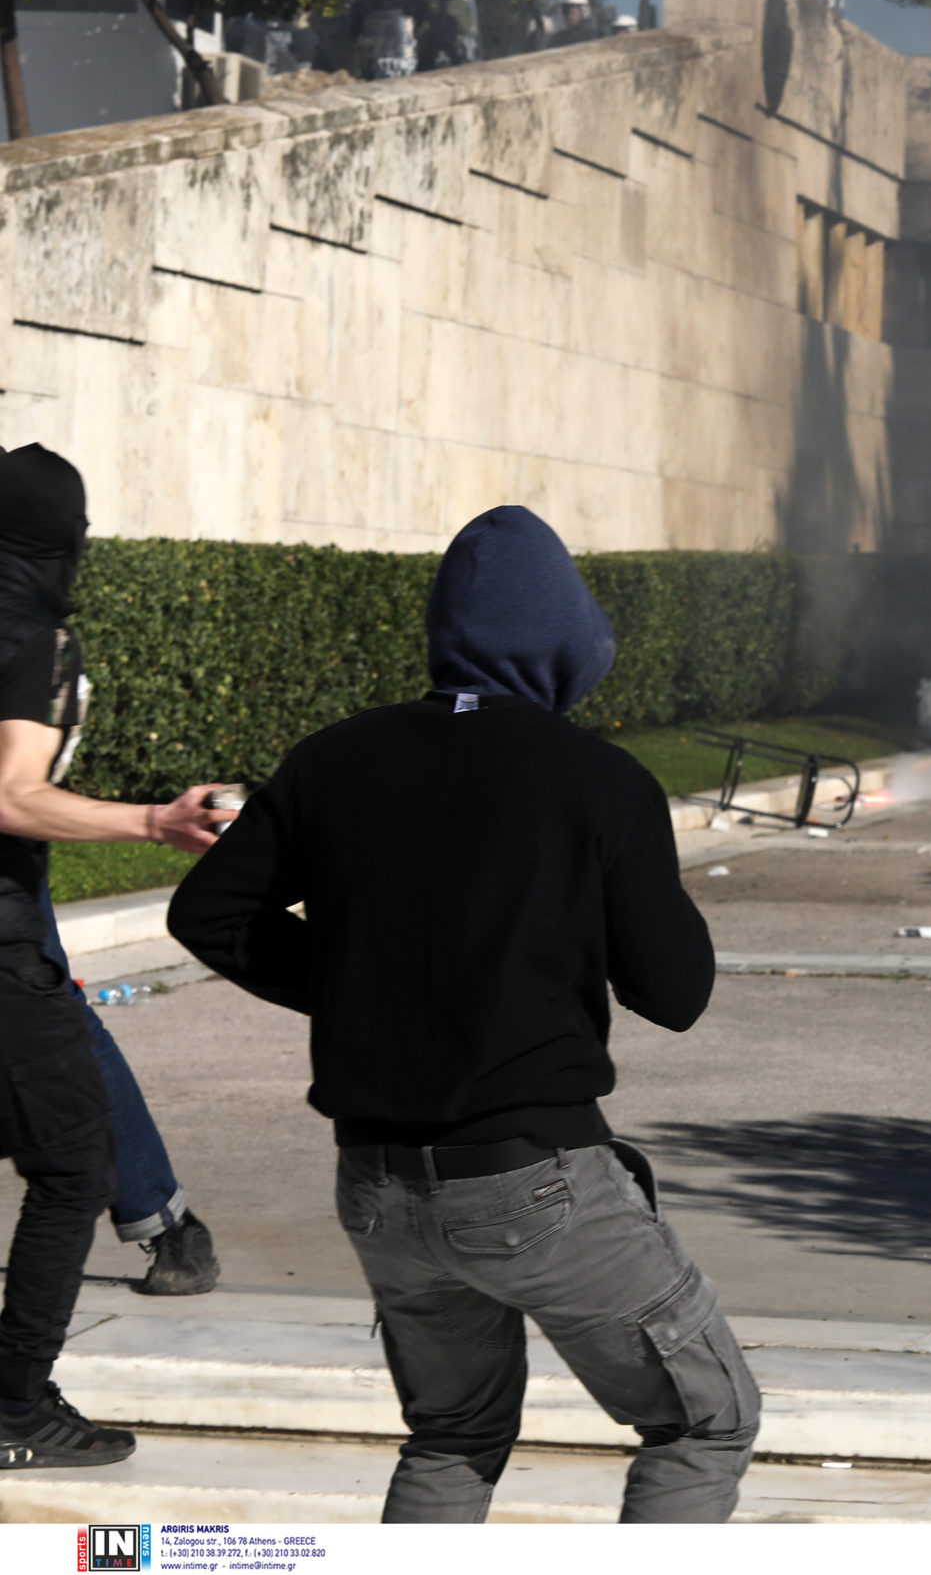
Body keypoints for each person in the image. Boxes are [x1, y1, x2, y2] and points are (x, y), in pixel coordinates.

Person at [168, 506, 760, 1524]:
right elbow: (677, 992)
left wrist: (361, 980)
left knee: (453, 1433)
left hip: (378, 1185)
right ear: (567, 637)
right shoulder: (596, 780)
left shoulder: (334, 760)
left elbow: (210, 911)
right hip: (537, 1180)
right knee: (704, 1420)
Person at [0, 445, 235, 1470]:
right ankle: (13, 1408)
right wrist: (153, 820)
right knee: (68, 1164)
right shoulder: (31, 630)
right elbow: (11, 793)